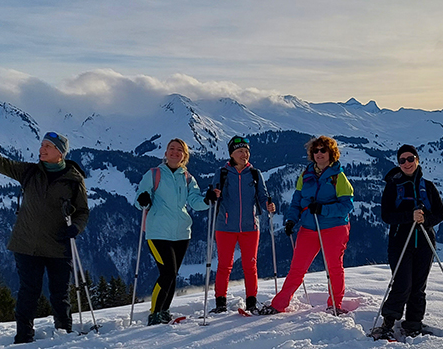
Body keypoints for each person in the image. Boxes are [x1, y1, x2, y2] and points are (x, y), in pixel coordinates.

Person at [0, 123, 89, 344]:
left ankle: (64, 332)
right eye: (42, 145)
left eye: (48, 146)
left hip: (58, 245)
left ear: (60, 153)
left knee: (60, 294)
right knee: (28, 293)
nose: (41, 149)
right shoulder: (30, 172)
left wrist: (76, 227)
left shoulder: (74, 180)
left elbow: (82, 211)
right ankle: (23, 336)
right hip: (27, 245)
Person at [258, 136, 354, 315]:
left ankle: (335, 304)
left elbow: (347, 206)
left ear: (331, 153)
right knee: (297, 268)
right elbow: (297, 201)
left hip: (334, 228)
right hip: (309, 227)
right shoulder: (306, 174)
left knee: (334, 267)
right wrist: (291, 219)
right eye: (315, 150)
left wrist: (323, 209)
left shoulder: (338, 177)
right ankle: (279, 304)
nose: (319, 154)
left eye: (323, 150)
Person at [373, 144, 443, 339]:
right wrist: (409, 216)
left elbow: (440, 213)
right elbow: (387, 216)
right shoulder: (392, 186)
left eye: (410, 158)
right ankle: (388, 322)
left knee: (418, 286)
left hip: (424, 242)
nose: (406, 163)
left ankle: (413, 323)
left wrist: (425, 220)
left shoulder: (428, 187)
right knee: (402, 284)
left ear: (417, 160)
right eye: (402, 160)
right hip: (400, 243)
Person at [134, 138, 210, 325]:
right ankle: (155, 313)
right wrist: (143, 199)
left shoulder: (188, 178)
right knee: (167, 272)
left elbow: (195, 202)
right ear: (165, 153)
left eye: (179, 150)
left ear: (184, 155)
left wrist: (207, 200)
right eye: (171, 149)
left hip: (182, 232)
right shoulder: (153, 174)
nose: (175, 152)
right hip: (157, 232)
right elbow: (140, 200)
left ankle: (164, 311)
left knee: (172, 273)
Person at [207, 136, 276, 313]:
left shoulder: (255, 173)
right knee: (224, 265)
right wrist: (213, 194)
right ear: (231, 154)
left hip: (250, 226)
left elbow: (262, 195)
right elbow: (215, 196)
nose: (243, 154)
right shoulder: (222, 173)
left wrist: (268, 204)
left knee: (250, 265)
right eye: (239, 151)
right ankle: (220, 302)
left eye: (246, 151)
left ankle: (251, 301)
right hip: (225, 226)